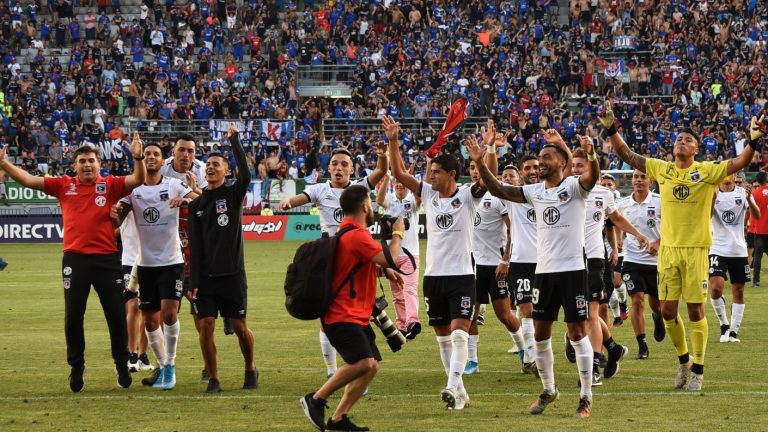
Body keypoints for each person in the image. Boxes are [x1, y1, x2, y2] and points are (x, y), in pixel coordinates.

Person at [600, 104, 760, 391]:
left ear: (696, 148)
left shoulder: (707, 171)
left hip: (696, 250)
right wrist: (611, 128)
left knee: (696, 310)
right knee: (667, 310)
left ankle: (699, 368)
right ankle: (684, 360)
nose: (681, 142)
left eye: (688, 139)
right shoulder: (662, 169)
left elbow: (740, 162)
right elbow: (628, 154)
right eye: (678, 139)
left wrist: (754, 140)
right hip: (669, 252)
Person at [467, 131, 600, 417]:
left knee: (578, 333)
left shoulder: (575, 187)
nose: (541, 162)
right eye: (539, 158)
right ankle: (549, 389)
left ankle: (586, 397)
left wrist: (591, 154)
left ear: (562, 162)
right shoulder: (535, 191)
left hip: (573, 271)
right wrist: (480, 162)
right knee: (540, 334)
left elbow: (593, 177)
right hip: (544, 272)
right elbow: (499, 189)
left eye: (546, 158)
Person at [0, 132, 145, 392]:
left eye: (91, 161)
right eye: (82, 161)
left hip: (107, 259)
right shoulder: (63, 185)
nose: (87, 165)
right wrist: (4, 164)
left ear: (99, 165)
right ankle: (77, 366)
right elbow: (29, 180)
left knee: (115, 314)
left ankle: (121, 363)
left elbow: (138, 179)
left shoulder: (110, 184)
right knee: (73, 316)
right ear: (74, 166)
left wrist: (138, 157)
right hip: (75, 260)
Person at [384, 115, 487, 410]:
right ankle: (460, 392)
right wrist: (393, 141)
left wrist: (481, 159)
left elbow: (487, 181)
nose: (431, 176)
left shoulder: (467, 196)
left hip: (462, 276)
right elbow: (398, 172)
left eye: (436, 172)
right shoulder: (428, 194)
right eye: (430, 172)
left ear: (451, 174)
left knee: (459, 335)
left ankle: (452, 386)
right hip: (433, 277)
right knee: (443, 339)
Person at [278, 145, 388, 380]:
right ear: (328, 168)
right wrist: (288, 201)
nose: (339, 168)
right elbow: (300, 199)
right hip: (330, 260)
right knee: (328, 314)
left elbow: (381, 171)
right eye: (335, 164)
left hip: (356, 255)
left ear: (352, 170)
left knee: (357, 312)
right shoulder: (320, 189)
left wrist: (382, 155)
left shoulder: (359, 188)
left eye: (344, 165)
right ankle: (332, 370)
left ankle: (358, 365)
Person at [300, 185, 405, 432]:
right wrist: (398, 233)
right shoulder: (357, 236)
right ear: (365, 206)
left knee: (371, 366)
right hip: (343, 315)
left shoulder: (346, 233)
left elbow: (353, 267)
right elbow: (391, 257)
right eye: (371, 203)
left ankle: (338, 420)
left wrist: (381, 270)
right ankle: (316, 399)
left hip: (354, 314)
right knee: (364, 363)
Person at [112, 142, 197, 390]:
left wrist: (185, 199)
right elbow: (118, 218)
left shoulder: (173, 185)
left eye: (156, 154)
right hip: (146, 264)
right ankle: (163, 365)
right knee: (150, 321)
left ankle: (170, 366)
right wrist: (116, 213)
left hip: (171, 261)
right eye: (147, 153)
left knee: (169, 314)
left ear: (162, 161)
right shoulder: (132, 190)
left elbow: (198, 201)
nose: (151, 157)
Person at [565, 143, 646, 385]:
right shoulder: (565, 189)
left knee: (591, 314)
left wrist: (638, 235)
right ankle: (613, 348)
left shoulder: (604, 194)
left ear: (592, 167)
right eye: (573, 165)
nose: (576, 169)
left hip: (594, 259)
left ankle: (593, 367)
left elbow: (617, 218)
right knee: (578, 315)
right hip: (568, 260)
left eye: (581, 165)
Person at [188, 125, 258, 393]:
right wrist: (193, 281)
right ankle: (214, 378)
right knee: (206, 326)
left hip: (232, 276)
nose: (210, 168)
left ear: (226, 171)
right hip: (206, 280)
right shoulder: (196, 205)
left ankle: (250, 367)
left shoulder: (232, 195)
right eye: (208, 165)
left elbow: (246, 174)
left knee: (240, 327)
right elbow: (195, 247)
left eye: (216, 165)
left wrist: (234, 141)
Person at [464, 124, 527, 376]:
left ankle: (523, 350)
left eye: (477, 168)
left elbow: (512, 230)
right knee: (469, 314)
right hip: (470, 265)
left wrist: (505, 260)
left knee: (504, 314)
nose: (474, 172)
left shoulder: (497, 196)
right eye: (471, 168)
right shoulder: (465, 195)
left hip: (494, 265)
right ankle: (472, 360)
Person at [157, 132, 220, 385]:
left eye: (190, 151)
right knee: (165, 314)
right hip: (166, 250)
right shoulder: (160, 168)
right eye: (181, 150)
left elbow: (212, 203)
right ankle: (163, 365)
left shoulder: (203, 170)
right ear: (173, 151)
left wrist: (192, 195)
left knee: (201, 318)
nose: (186, 155)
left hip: (194, 254)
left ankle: (208, 366)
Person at [617, 170, 665, 359]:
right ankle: (642, 345)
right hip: (632, 260)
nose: (638, 180)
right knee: (637, 300)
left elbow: (672, 227)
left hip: (656, 261)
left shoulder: (660, 202)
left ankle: (658, 316)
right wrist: (618, 240)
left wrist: (658, 243)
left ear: (650, 181)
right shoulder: (623, 204)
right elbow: (617, 224)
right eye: (635, 177)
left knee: (657, 304)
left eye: (643, 177)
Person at [709, 174, 759, 343]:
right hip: (717, 247)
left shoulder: (742, 193)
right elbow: (706, 217)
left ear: (734, 175)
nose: (727, 176)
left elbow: (757, 215)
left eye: (730, 173)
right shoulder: (712, 192)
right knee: (716, 287)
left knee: (738, 290)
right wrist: (712, 199)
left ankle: (733, 331)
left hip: (738, 249)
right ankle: (724, 324)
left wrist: (750, 199)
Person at [376, 174, 422, 339]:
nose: (400, 187)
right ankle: (402, 326)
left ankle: (412, 322)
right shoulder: (389, 199)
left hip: (411, 254)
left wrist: (411, 180)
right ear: (394, 185)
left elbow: (419, 199)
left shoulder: (412, 201)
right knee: (397, 294)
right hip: (392, 256)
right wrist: (386, 178)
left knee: (409, 289)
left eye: (403, 185)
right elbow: (379, 200)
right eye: (398, 184)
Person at [503, 157, 539, 360]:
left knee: (543, 314)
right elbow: (490, 180)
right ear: (521, 174)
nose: (532, 171)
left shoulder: (549, 193)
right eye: (527, 168)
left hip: (548, 262)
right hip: (521, 262)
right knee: (527, 309)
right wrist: (491, 149)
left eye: (536, 167)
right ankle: (530, 357)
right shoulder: (512, 196)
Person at [117, 211, 154, 373]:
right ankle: (131, 353)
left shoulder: (153, 198)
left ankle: (142, 355)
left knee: (147, 308)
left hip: (150, 260)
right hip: (129, 260)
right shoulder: (125, 199)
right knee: (133, 307)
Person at [750, 171, 768, 287]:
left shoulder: (754, 193)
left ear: (757, 181)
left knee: (757, 256)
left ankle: (756, 282)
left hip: (759, 230)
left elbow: (751, 211)